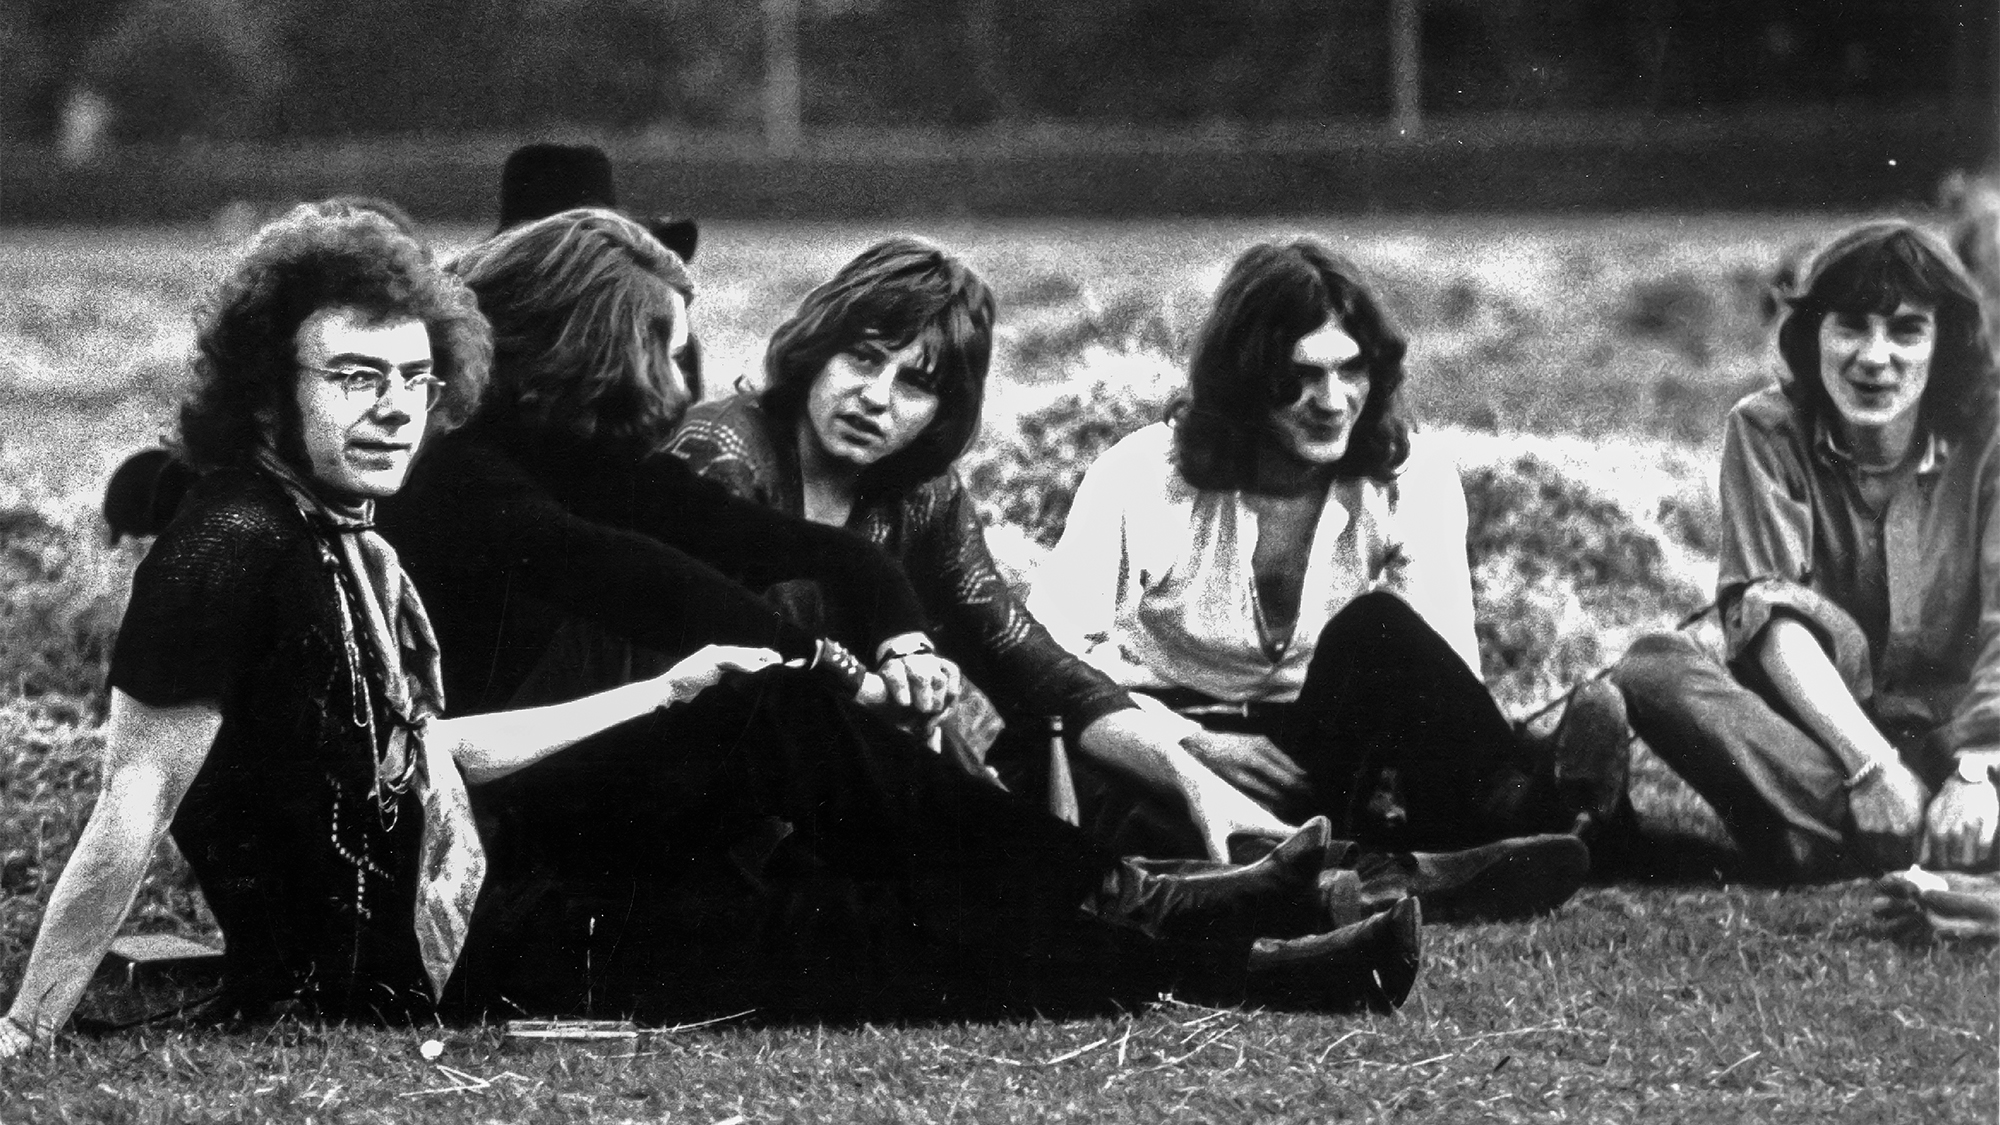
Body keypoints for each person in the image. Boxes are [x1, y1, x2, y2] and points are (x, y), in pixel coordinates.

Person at [373, 209, 1429, 1024]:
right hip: (497, 865)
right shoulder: (463, 480)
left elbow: (811, 557)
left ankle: (1165, 916)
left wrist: (894, 636)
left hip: (582, 812)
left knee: (836, 844)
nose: (668, 379)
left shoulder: (549, 456)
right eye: (655, 350)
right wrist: (843, 669)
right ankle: (1207, 952)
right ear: (582, 346)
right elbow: (647, 580)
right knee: (849, 919)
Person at [0, 201, 787, 1053]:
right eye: (356, 377)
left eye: (417, 378)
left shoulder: (332, 532)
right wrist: (27, 1024)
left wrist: (661, 690)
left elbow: (423, 755)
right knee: (836, 928)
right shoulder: (228, 544)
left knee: (796, 877)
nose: (398, 409)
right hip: (399, 976)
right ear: (267, 392)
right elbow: (135, 797)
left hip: (451, 927)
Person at [665, 237, 1299, 862]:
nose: (877, 396)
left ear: (944, 410)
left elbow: (1030, 663)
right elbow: (732, 663)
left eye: (915, 383)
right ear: (815, 350)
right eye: (862, 358)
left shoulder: (922, 494)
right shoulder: (724, 448)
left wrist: (1190, 776)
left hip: (840, 789)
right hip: (709, 794)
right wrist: (881, 688)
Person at [1028, 238, 1631, 856]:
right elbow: (1048, 656)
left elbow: (1449, 680)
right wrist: (1183, 742)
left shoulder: (1411, 477)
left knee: (1378, 630)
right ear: (1246, 378)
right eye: (1302, 376)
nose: (1333, 401)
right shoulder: (1143, 475)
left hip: (1308, 748)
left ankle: (1519, 811)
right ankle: (1406, 849)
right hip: (1163, 734)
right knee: (1066, 781)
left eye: (1352, 370)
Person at [1610, 222, 2000, 879]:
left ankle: (1830, 844)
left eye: (1907, 330)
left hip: (1969, 738)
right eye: (1851, 326)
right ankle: (1903, 835)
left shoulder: (1990, 437)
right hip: (1829, 747)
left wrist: (1977, 766)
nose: (1875, 358)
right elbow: (1770, 615)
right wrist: (1871, 766)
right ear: (1812, 333)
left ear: (1944, 346)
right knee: (1655, 669)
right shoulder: (1764, 431)